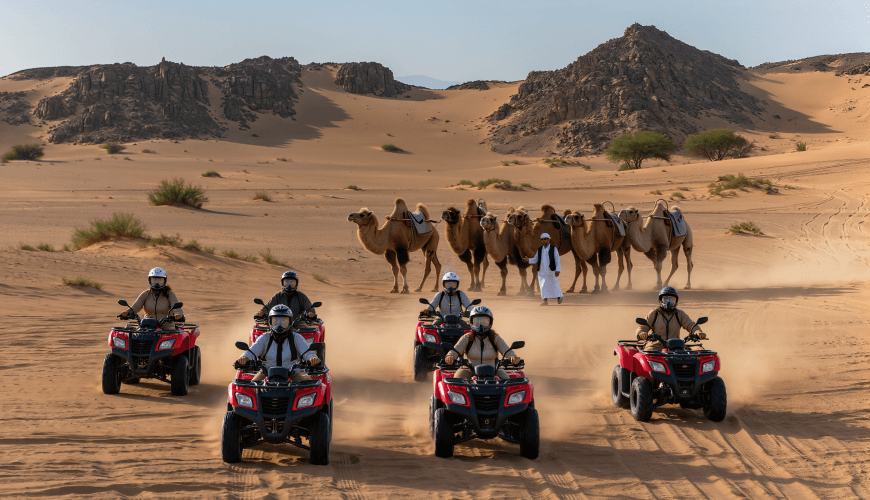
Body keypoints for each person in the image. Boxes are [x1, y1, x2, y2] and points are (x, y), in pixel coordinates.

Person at [237, 305, 321, 382]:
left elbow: (307, 352)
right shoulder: (265, 337)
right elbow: (252, 351)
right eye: (276, 321)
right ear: (270, 322)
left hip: (293, 372)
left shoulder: (296, 337)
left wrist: (312, 358)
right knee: (251, 388)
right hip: (266, 372)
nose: (279, 325)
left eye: (283, 321)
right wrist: (244, 357)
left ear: (290, 322)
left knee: (309, 385)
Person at [444, 306, 521, 380]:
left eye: (484, 321)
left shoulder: (495, 338)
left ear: (490, 322)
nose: (480, 324)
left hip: (493, 369)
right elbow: (455, 350)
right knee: (455, 383)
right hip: (468, 369)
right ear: (471, 321)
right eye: (477, 321)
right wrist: (450, 356)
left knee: (507, 382)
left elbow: (506, 350)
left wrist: (513, 357)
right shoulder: (467, 338)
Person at [636, 287, 706, 351]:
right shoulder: (654, 313)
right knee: (647, 360)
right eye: (665, 299)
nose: (668, 302)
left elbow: (690, 324)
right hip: (655, 348)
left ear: (676, 301)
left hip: (675, 348)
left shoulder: (679, 314)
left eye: (672, 299)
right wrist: (641, 333)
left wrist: (697, 331)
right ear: (660, 300)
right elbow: (642, 327)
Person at [119, 267, 184, 326]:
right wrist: (127, 312)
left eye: (160, 280)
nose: (157, 283)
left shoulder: (169, 294)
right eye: (154, 280)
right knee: (129, 330)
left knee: (172, 337)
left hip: (166, 326)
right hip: (147, 325)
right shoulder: (145, 294)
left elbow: (176, 308)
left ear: (164, 281)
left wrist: (178, 315)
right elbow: (136, 307)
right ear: (150, 280)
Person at [523, 233, 563, 306]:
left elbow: (557, 260)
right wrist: (528, 260)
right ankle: (545, 301)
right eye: (542, 239)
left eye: (545, 239)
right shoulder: (540, 249)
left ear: (548, 239)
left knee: (554, 284)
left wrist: (558, 270)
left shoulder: (553, 249)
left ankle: (559, 296)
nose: (543, 240)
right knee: (543, 285)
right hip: (542, 271)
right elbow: (535, 259)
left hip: (551, 270)